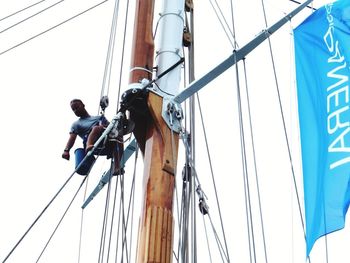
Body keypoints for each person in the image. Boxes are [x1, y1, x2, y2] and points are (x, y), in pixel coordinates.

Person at [62, 99, 123, 174]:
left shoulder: (99, 118)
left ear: (83, 105)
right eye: (73, 109)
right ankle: (89, 145)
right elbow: (72, 138)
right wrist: (66, 150)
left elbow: (110, 128)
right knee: (96, 128)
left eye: (77, 107)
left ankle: (117, 167)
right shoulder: (76, 124)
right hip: (93, 146)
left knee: (118, 138)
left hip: (105, 142)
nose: (76, 110)